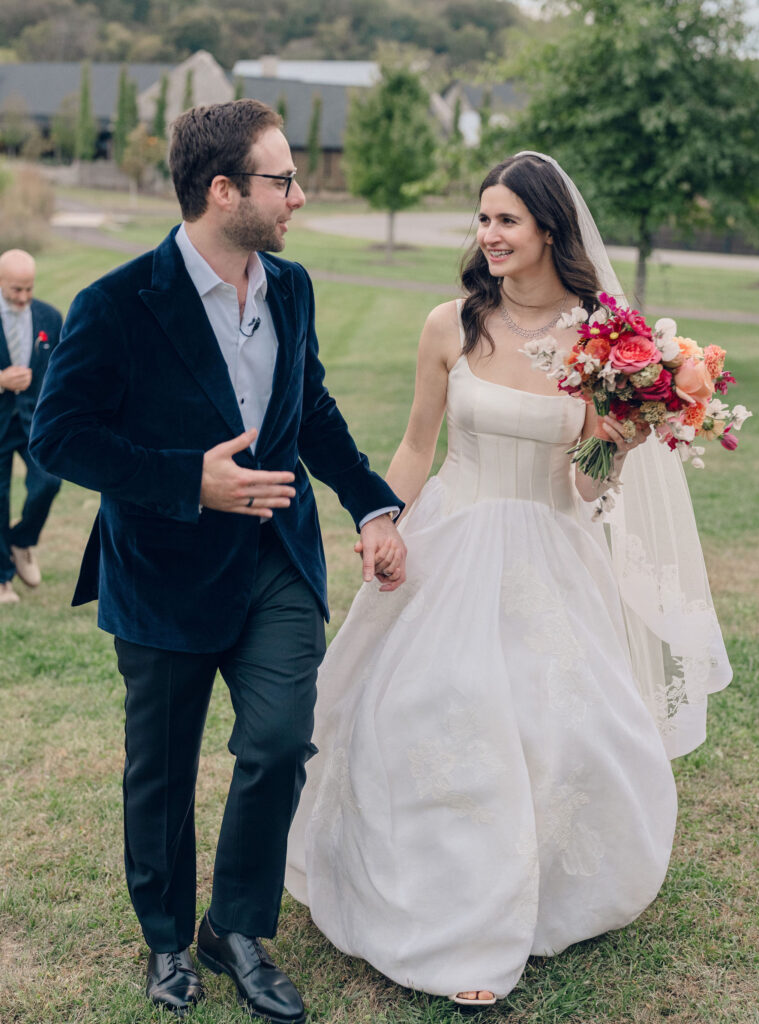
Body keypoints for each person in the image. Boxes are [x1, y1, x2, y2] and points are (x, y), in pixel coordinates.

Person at [285, 152, 731, 1004]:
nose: (488, 235)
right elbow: (418, 445)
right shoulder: (448, 324)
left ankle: (538, 894)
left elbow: (587, 485)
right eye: (483, 219)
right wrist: (387, 521)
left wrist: (622, 441)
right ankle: (451, 914)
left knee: (558, 729)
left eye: (506, 221)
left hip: (552, 550)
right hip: (453, 536)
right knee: (434, 712)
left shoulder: (604, 339)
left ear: (549, 231)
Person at [30, 99, 406, 1021]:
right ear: (222, 189)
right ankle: (166, 940)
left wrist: (373, 502)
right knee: (159, 767)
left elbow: (309, 411)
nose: (300, 197)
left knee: (278, 742)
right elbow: (59, 436)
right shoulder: (116, 303)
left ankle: (235, 926)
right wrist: (183, 482)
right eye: (283, 180)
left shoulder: (293, 286)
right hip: (161, 572)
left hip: (276, 558)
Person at [0, 249, 62, 604]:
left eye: (29, 289)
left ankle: (22, 541)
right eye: (15, 290)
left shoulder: (49, 317)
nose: (24, 297)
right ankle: (2, 579)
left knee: (49, 481)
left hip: (35, 421)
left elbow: (65, 367)